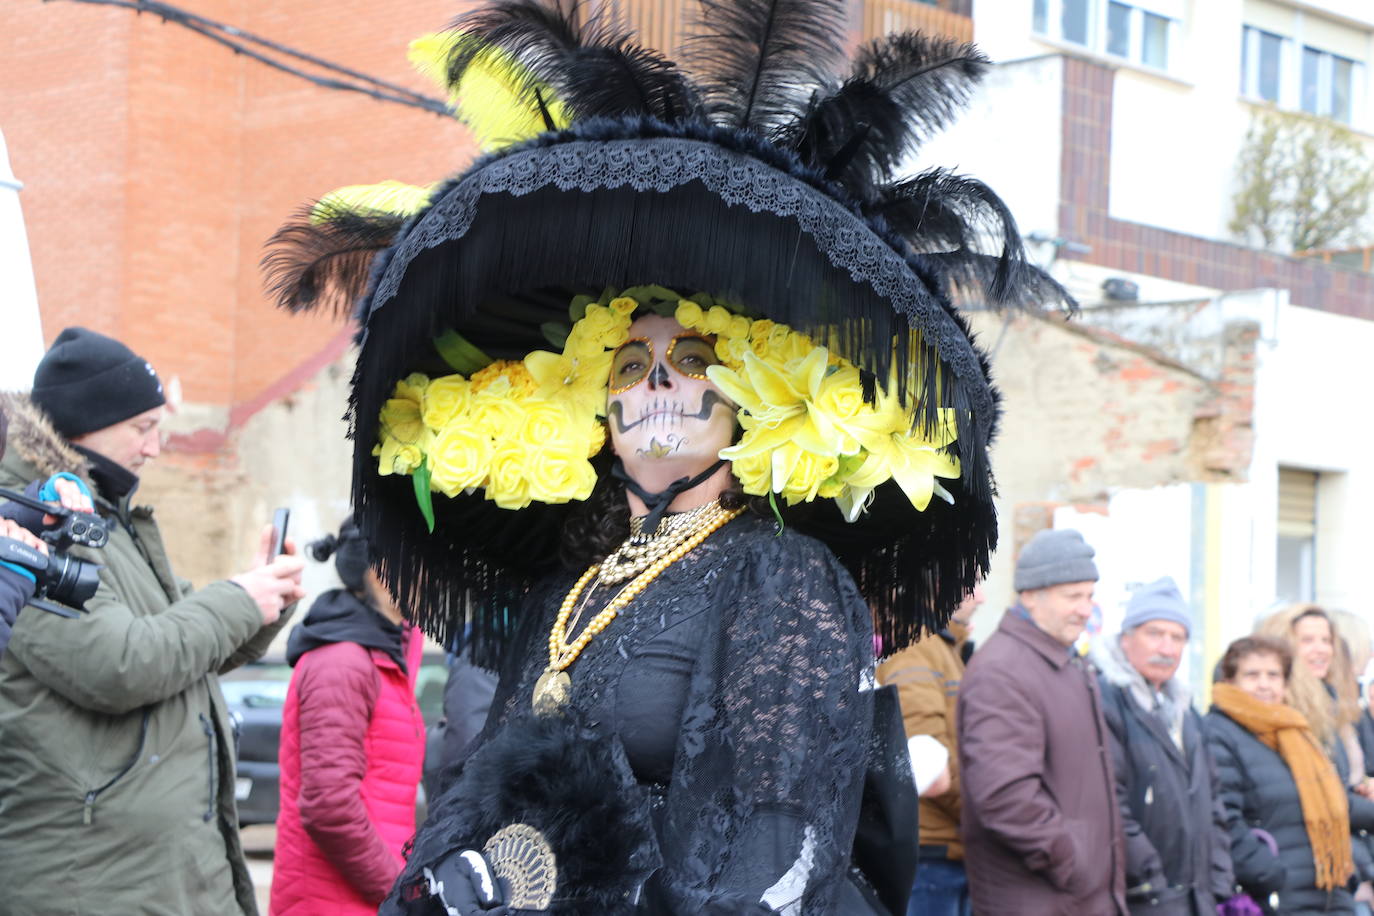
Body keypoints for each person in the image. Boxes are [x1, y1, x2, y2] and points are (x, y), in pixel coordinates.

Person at [267, 1, 1064, 911]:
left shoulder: (783, 578)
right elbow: (486, 780)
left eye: (691, 362)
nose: (655, 385)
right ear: (594, 399)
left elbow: (778, 838)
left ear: (755, 398)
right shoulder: (571, 590)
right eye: (630, 362)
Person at [0, 329, 305, 916]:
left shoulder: (108, 520)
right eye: (143, 428)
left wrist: (268, 595)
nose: (156, 448)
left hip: (157, 874)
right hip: (88, 881)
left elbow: (186, 646)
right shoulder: (32, 524)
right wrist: (242, 597)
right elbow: (120, 663)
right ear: (82, 425)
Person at [958, 528, 1127, 915]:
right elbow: (1004, 797)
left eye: (1089, 596)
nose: (1086, 609)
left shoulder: (1065, 662)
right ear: (1031, 596)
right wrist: (1073, 861)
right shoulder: (1003, 671)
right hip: (1040, 898)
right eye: (1073, 596)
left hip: (1077, 898)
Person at [270, 516, 426, 916]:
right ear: (379, 570)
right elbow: (330, 807)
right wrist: (399, 891)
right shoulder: (341, 661)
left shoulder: (386, 652)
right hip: (333, 902)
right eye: (420, 559)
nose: (432, 573)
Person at [1094, 577, 1234, 914]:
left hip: (1194, 897)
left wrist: (1218, 878)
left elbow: (1213, 801)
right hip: (1143, 896)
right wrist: (1150, 874)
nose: (1167, 648)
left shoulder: (1185, 711)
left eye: (1177, 638)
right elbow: (1110, 801)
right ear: (1126, 638)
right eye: (1155, 634)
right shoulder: (1105, 700)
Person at [1207, 635, 1357, 914]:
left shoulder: (1295, 731)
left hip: (1331, 893)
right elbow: (1223, 818)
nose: (1264, 684)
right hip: (1276, 899)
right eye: (1252, 675)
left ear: (1285, 685)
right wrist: (1268, 875)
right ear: (1229, 682)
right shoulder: (1218, 733)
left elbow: (1335, 804)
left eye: (1273, 675)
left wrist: (1346, 875)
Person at [877, 582, 985, 916]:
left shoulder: (942, 648)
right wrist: (988, 814)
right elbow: (928, 767)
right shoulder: (916, 648)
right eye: (971, 582)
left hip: (944, 854)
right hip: (929, 859)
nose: (980, 596)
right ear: (935, 579)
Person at [1259, 606, 1374, 898]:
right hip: (1295, 874)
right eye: (1307, 640)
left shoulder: (1328, 707)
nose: (1321, 649)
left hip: (1338, 870)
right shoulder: (1276, 716)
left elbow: (1339, 786)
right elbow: (1316, 796)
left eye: (1326, 640)